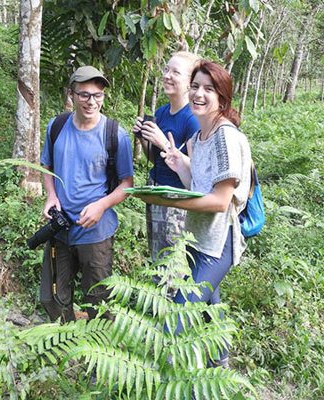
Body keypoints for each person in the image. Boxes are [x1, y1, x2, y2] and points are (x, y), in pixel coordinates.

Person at [132, 60, 252, 368]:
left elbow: (219, 201)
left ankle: (175, 380)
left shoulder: (224, 137)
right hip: (197, 239)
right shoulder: (200, 136)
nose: (199, 94)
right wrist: (178, 160)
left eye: (208, 89)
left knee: (176, 317)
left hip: (217, 245)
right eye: (196, 86)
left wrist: (170, 201)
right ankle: (220, 367)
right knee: (211, 305)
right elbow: (198, 184)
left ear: (222, 99)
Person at [40, 66, 134, 322]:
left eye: (98, 95)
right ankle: (63, 343)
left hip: (96, 231)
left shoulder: (116, 134)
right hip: (60, 227)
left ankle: (99, 351)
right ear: (71, 95)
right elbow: (46, 166)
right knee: (54, 296)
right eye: (84, 95)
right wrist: (51, 196)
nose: (92, 102)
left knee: (99, 297)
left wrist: (101, 206)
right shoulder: (57, 126)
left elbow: (127, 183)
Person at [132, 51, 200, 261]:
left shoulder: (193, 119)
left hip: (177, 199)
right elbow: (156, 159)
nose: (167, 75)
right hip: (156, 191)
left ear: (190, 83)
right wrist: (144, 138)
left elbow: (196, 172)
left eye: (176, 72)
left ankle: (170, 295)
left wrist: (162, 141)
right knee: (156, 255)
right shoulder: (161, 112)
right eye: (166, 69)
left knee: (171, 260)